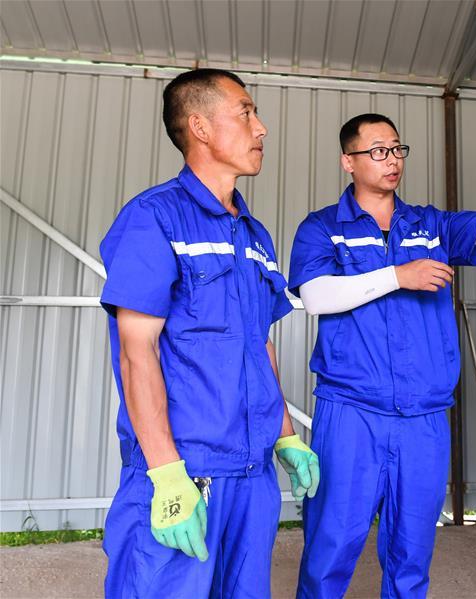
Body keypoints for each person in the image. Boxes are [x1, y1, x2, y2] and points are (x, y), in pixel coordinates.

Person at [288, 113, 476, 598]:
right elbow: (316, 297)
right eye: (378, 151)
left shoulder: (429, 226)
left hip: (423, 416)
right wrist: (400, 275)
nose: (392, 160)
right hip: (352, 412)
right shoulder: (323, 228)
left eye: (397, 149)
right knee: (330, 548)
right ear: (348, 161)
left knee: (412, 552)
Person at [99, 68, 320, 598]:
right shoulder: (155, 218)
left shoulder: (254, 235)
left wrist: (286, 435)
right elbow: (136, 352)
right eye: (246, 112)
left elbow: (260, 344)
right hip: (186, 470)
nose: (261, 128)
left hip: (252, 475)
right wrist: (166, 475)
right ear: (199, 127)